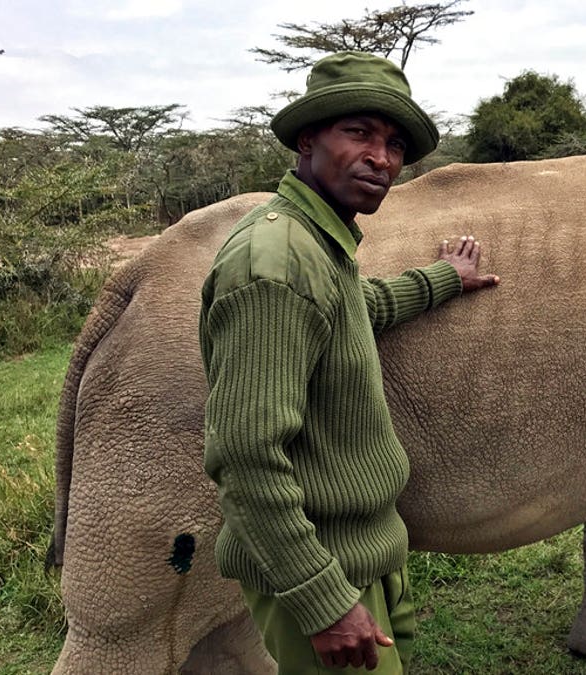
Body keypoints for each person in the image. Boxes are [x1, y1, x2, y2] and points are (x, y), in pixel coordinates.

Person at [199, 51, 499, 674]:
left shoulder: (319, 244)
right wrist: (324, 602)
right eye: (358, 133)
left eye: (393, 143)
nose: (381, 158)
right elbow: (244, 453)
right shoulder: (275, 259)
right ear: (307, 139)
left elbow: (356, 309)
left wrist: (446, 277)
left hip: (365, 551)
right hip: (325, 571)